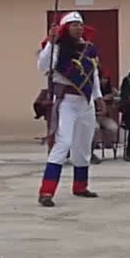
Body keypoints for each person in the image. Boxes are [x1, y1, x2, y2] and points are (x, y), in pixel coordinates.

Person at [36, 11, 104, 206]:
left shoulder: (89, 48)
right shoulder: (57, 48)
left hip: (86, 102)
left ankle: (80, 186)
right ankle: (46, 191)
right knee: (63, 143)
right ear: (65, 28)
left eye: (80, 24)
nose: (78, 28)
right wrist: (51, 42)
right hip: (66, 101)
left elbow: (93, 75)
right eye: (74, 25)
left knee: (83, 146)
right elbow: (43, 66)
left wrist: (98, 97)